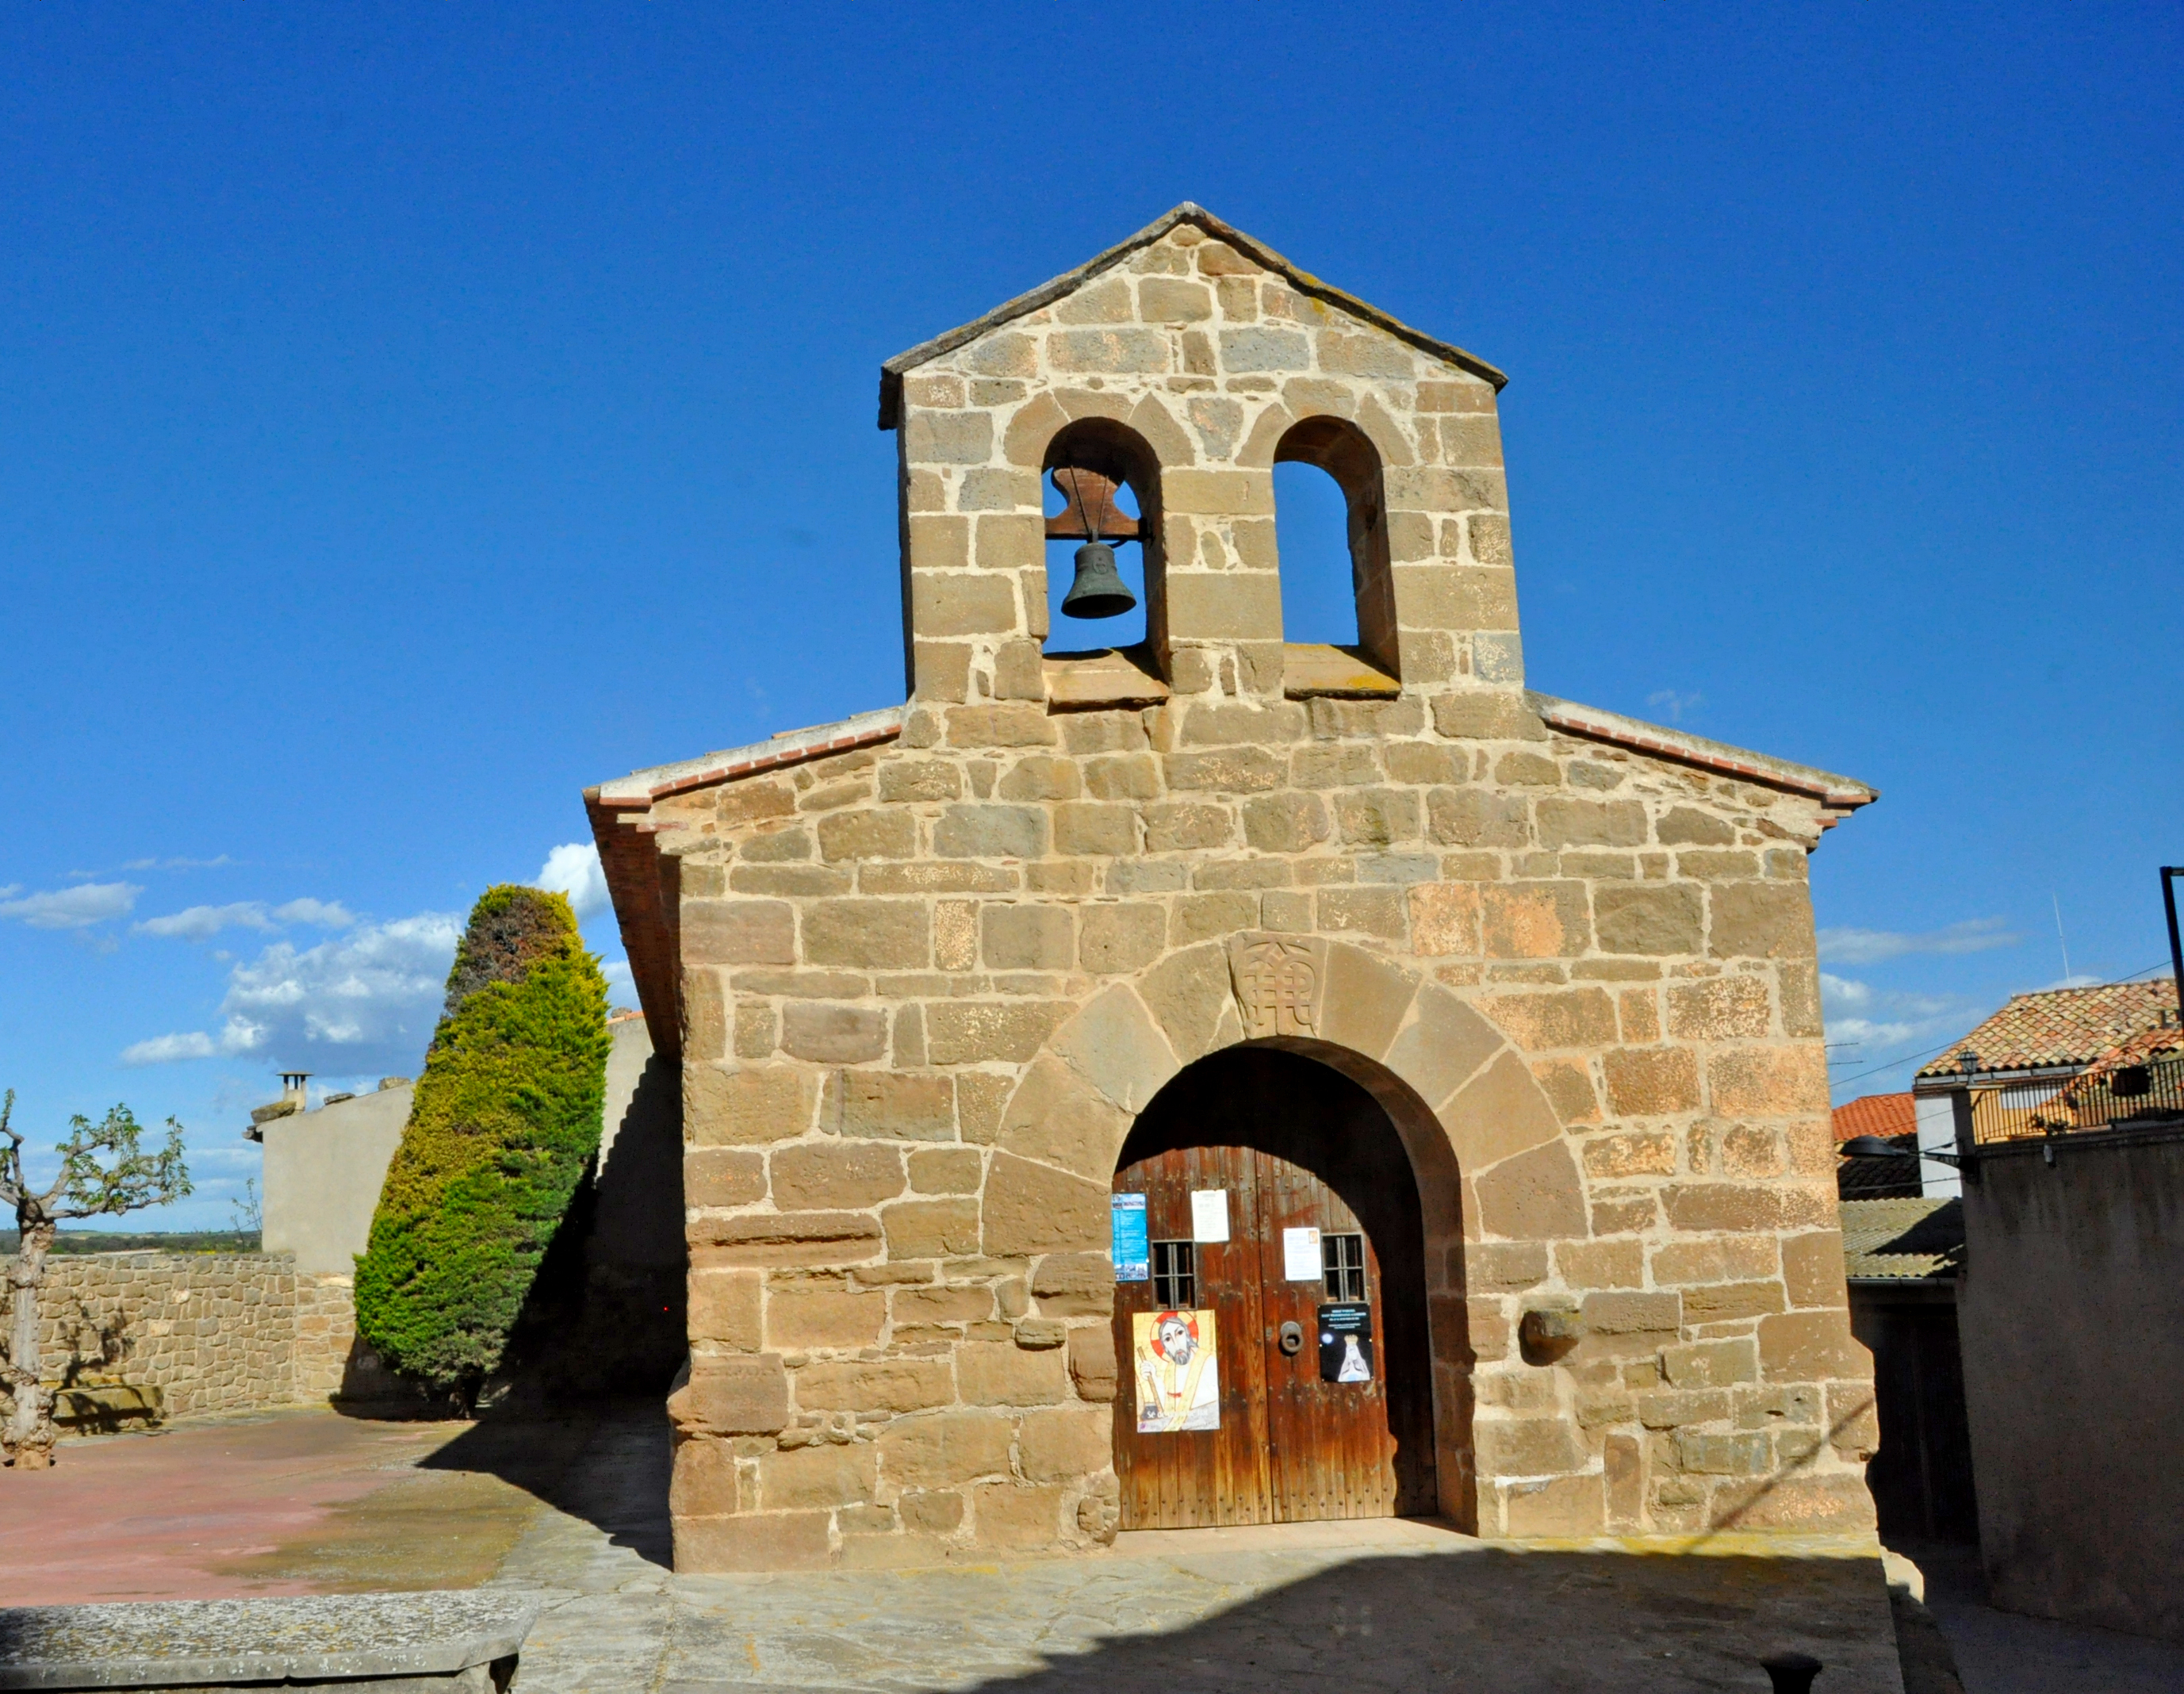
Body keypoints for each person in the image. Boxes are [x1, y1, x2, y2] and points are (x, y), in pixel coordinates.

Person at [1137, 1310, 1220, 1431]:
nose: (1176, 1343)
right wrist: (1154, 1378)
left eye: (1179, 1333)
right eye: (1168, 1339)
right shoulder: (1171, 1371)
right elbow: (1167, 1411)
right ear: (1164, 1348)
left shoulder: (1208, 1362)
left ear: (1188, 1336)